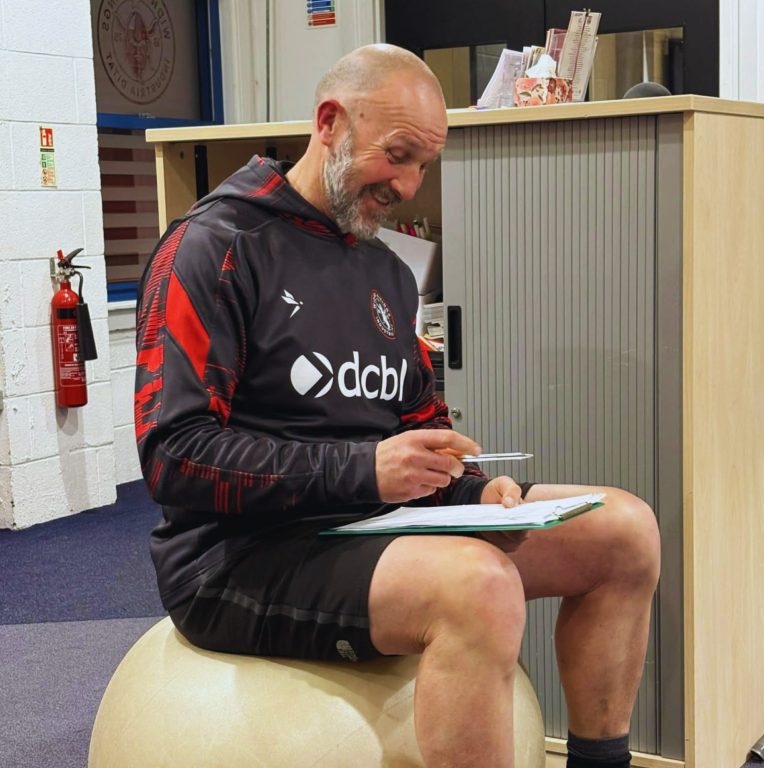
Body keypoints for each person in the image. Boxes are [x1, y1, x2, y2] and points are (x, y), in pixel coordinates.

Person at [134, 43, 660, 768]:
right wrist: (363, 472)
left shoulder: (387, 269)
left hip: (375, 526)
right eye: (398, 155)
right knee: (480, 589)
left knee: (624, 530)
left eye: (424, 165)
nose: (410, 185)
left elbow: (418, 431)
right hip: (240, 555)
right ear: (330, 123)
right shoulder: (214, 246)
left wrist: (476, 492)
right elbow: (175, 457)